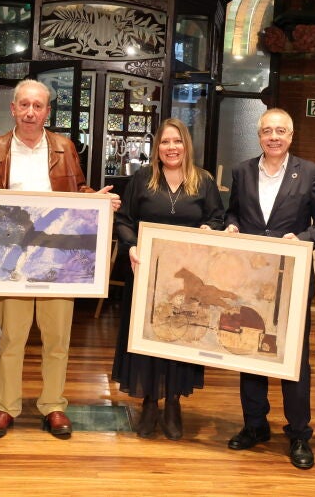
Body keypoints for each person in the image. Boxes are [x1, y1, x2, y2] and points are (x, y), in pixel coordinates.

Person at [0, 79, 119, 439]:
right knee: (11, 338)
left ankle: (53, 405)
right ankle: (5, 406)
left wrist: (97, 199)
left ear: (47, 111)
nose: (30, 112)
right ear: (13, 108)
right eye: (24, 105)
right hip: (10, 260)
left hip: (57, 259)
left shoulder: (64, 147)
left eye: (38, 106)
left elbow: (77, 191)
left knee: (57, 337)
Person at [223, 108, 315, 469]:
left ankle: (299, 433)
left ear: (291, 136)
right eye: (268, 131)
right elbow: (233, 212)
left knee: (293, 358)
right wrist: (231, 226)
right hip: (250, 279)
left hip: (292, 278)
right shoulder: (242, 171)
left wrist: (300, 238)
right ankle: (255, 425)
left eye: (281, 131)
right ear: (259, 136)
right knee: (248, 347)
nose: (274, 137)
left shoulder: (310, 172)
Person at [112, 118, 224, 440]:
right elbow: (124, 220)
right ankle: (149, 400)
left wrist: (210, 230)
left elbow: (217, 218)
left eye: (177, 141)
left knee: (180, 333)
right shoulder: (142, 179)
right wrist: (132, 246)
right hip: (146, 273)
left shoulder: (203, 181)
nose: (171, 147)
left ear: (186, 145)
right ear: (157, 147)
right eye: (165, 142)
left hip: (187, 281)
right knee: (147, 333)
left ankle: (173, 402)